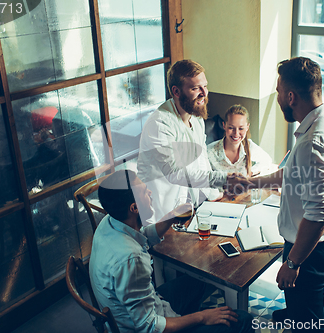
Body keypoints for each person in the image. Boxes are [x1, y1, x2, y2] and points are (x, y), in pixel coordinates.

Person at [228, 57, 324, 329]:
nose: (278, 95)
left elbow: (318, 215)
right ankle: (295, 313)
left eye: (279, 91)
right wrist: (250, 183)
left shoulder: (313, 141)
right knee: (299, 306)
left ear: (291, 96)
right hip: (317, 245)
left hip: (309, 250)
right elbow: (294, 172)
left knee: (307, 320)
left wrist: (292, 263)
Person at [89, 170, 254, 333]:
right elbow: (150, 327)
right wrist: (202, 316)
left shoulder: (109, 222)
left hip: (148, 305)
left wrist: (170, 217)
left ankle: (191, 322)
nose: (150, 192)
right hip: (146, 327)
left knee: (200, 279)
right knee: (243, 320)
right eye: (145, 192)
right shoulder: (131, 259)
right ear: (134, 208)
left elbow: (141, 236)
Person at [137, 60, 241, 225]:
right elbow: (175, 174)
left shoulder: (196, 116)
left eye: (205, 86)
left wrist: (214, 192)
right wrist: (223, 179)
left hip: (190, 205)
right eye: (195, 88)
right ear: (176, 91)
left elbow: (201, 160)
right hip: (161, 212)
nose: (204, 93)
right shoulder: (159, 124)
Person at [207, 104, 274, 177]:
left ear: (247, 127)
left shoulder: (250, 147)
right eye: (231, 128)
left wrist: (251, 172)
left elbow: (267, 161)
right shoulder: (209, 152)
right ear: (224, 126)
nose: (236, 133)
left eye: (241, 128)